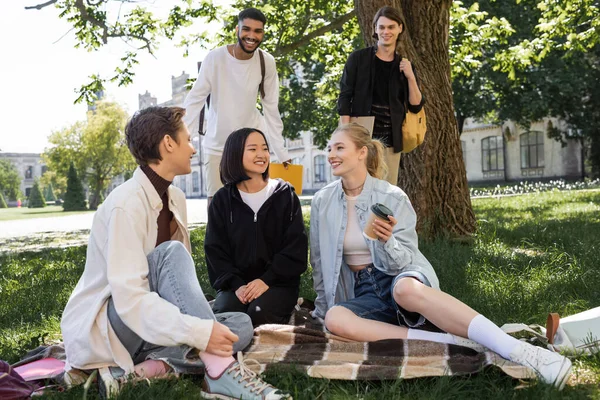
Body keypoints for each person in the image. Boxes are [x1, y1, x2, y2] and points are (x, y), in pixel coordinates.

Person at [310, 123, 573, 390]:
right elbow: (319, 263)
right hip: (362, 289)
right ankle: (448, 341)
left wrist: (386, 241)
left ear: (362, 153)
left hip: (397, 275)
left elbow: (401, 261)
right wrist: (321, 310)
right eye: (330, 148)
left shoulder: (390, 196)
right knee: (335, 318)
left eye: (340, 147)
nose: (331, 153)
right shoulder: (322, 201)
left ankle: (520, 351)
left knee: (405, 290)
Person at [60, 107, 289, 400]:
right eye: (188, 139)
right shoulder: (125, 205)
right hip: (112, 326)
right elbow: (130, 299)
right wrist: (199, 331)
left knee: (240, 327)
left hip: (148, 326)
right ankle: (220, 371)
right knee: (172, 255)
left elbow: (175, 290)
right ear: (169, 144)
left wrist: (199, 328)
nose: (194, 148)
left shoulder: (175, 198)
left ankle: (148, 368)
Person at [183, 7, 291, 204]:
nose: (251, 36)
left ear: (263, 33)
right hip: (217, 145)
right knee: (216, 205)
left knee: (252, 204)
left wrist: (281, 151)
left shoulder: (266, 62)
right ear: (237, 30)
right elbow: (195, 100)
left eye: (258, 31)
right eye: (246, 29)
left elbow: (271, 108)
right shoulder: (215, 58)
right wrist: (183, 140)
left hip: (251, 145)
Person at [205, 128, 307, 327]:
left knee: (257, 314)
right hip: (237, 286)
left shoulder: (285, 195)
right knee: (227, 315)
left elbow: (296, 249)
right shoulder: (222, 200)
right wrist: (237, 285)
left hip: (278, 283)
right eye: (253, 149)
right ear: (235, 154)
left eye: (265, 149)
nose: (262, 155)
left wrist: (266, 280)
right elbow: (215, 251)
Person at [337, 6, 425, 186]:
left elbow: (415, 106)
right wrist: (345, 136)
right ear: (375, 29)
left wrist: (410, 77)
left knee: (386, 191)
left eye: (391, 27)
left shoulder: (404, 66)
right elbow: (345, 97)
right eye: (382, 27)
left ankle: (381, 217)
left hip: (391, 138)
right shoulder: (358, 59)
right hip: (361, 134)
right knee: (357, 188)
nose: (386, 32)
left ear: (400, 28)